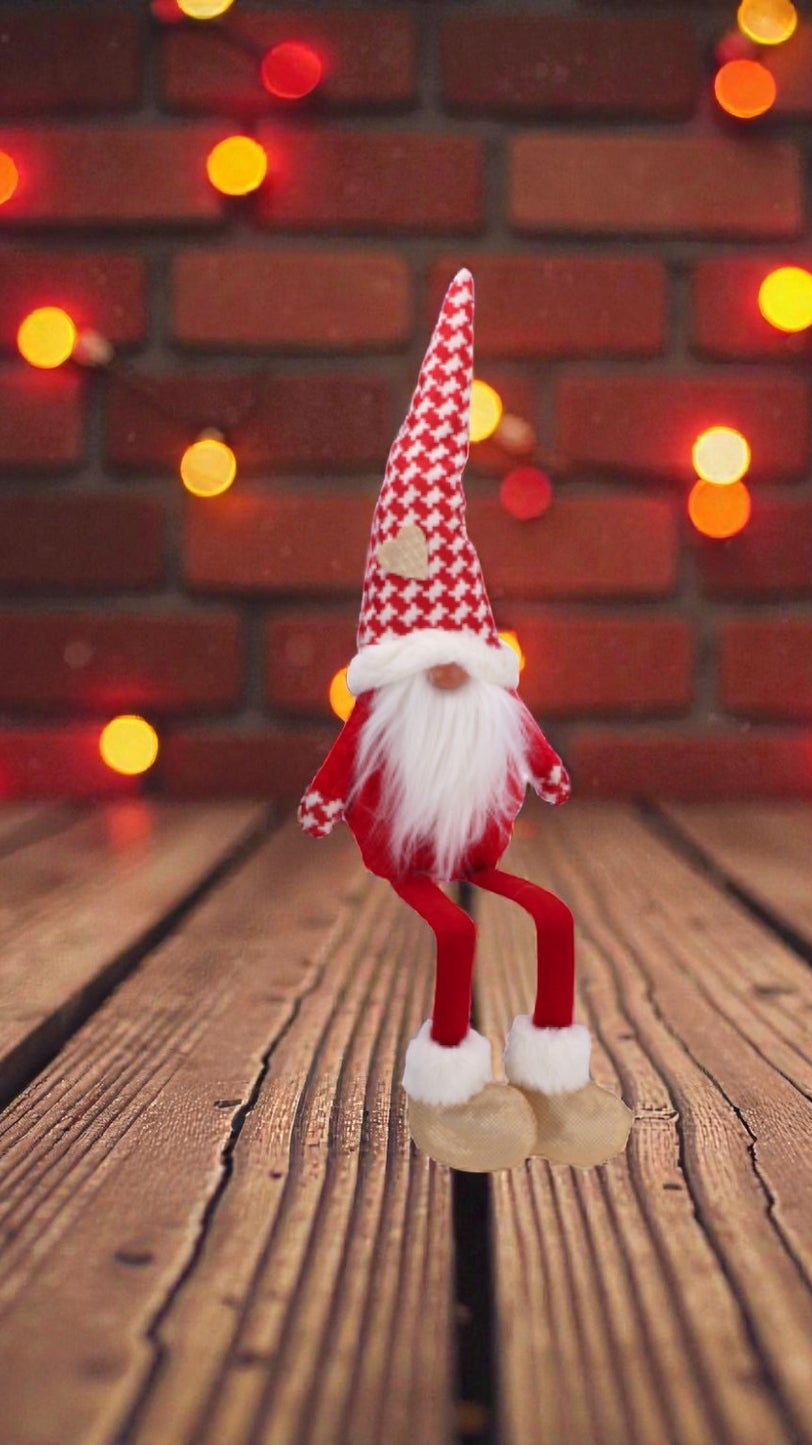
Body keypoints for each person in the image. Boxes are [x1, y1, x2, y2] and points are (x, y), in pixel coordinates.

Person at [298, 270, 633, 1173]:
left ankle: (553, 1077)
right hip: (407, 853)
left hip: (477, 844)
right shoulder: (383, 711)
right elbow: (342, 760)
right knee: (455, 930)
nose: (446, 665)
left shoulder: (490, 701)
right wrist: (326, 801)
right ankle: (446, 1085)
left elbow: (522, 738)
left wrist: (549, 770)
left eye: (459, 650)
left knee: (553, 914)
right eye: (427, 653)